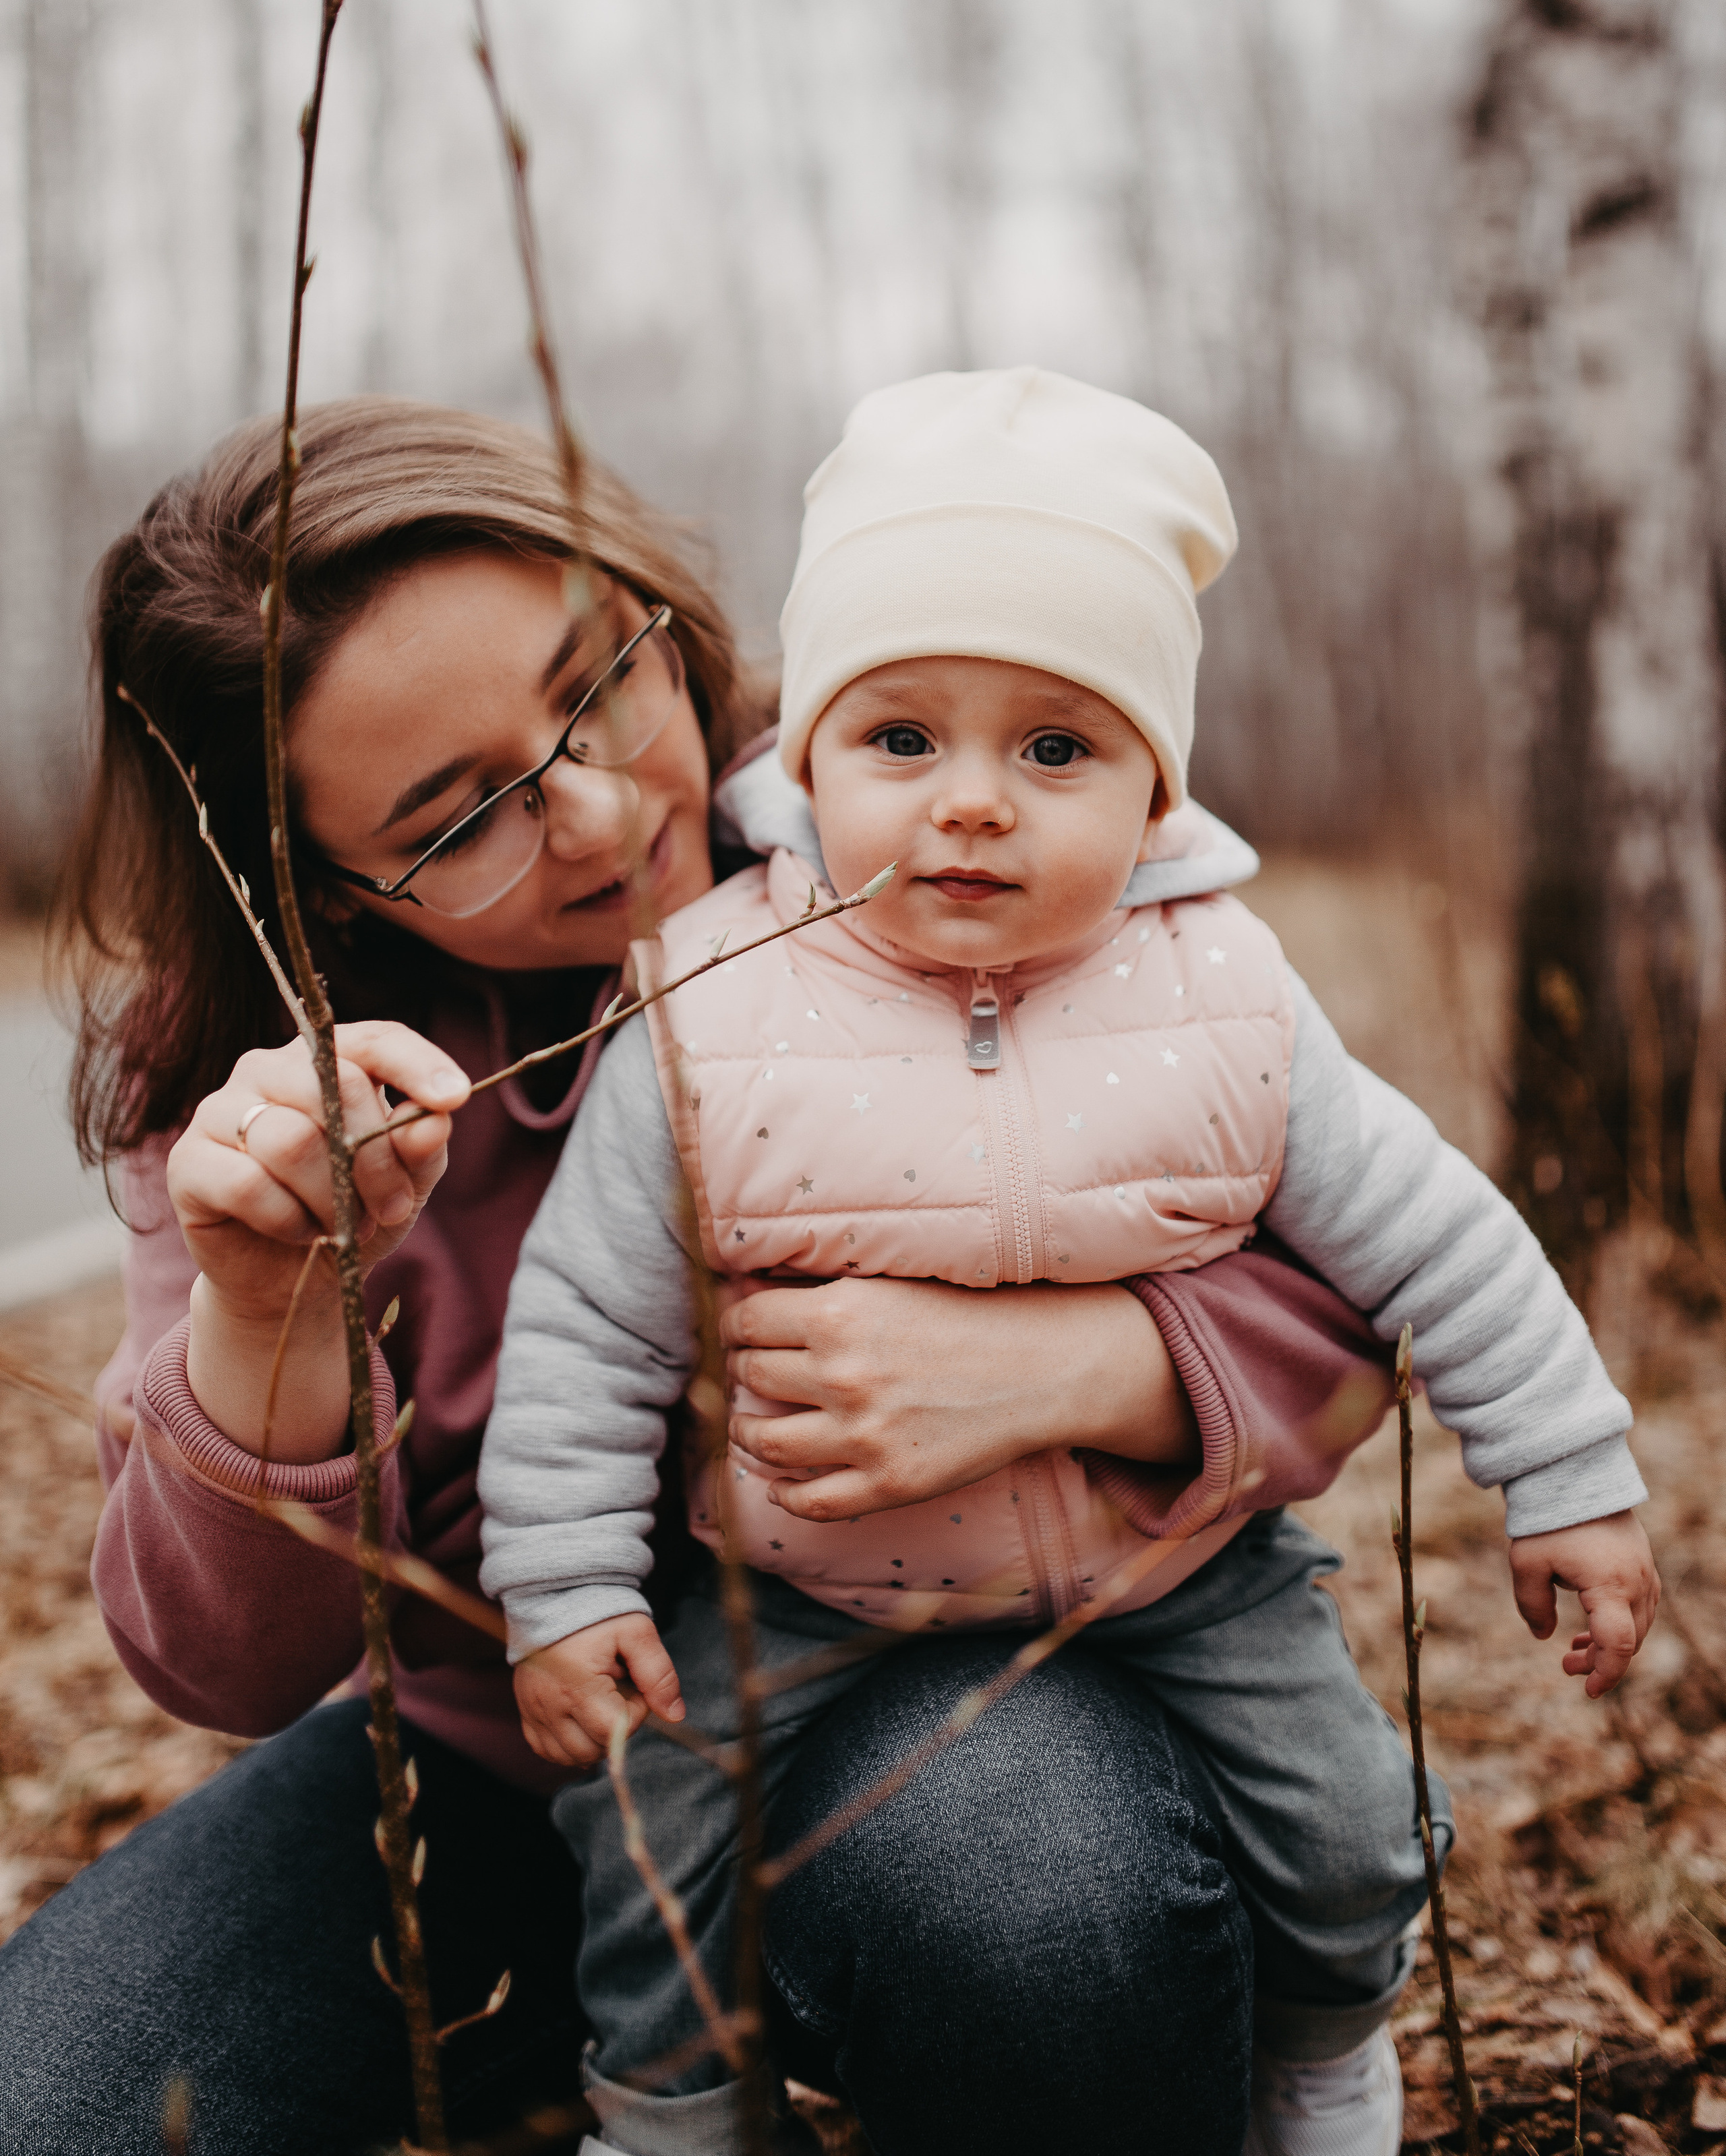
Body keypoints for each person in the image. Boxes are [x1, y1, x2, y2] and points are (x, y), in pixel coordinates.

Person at [1, 397, 1405, 2156]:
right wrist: (269, 1309)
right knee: (51, 2106)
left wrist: (1088, 1368)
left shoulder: (916, 820)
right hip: (511, 1767)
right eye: (461, 818)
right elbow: (227, 1667)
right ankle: (623, 2053)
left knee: (1038, 1894)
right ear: (331, 889)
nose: (593, 812)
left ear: (659, 602)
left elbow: (1362, 1301)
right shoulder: (266, 1097)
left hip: (948, 1681)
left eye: (599, 683)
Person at [481, 367, 1662, 2156]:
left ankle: (1321, 2045)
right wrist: (567, 1586)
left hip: (1175, 1560)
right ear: (803, 760)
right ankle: (670, 2108)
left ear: (1155, 792)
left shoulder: (1226, 994)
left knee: (1351, 1830)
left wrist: (1566, 1473)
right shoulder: (711, 1004)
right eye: (904, 741)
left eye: (1056, 747)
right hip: (792, 1586)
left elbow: (1441, 1246)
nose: (972, 803)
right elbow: (587, 1325)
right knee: (649, 1837)